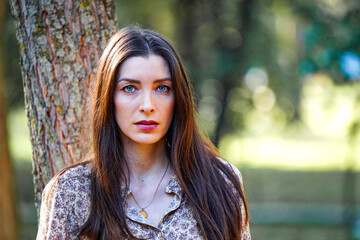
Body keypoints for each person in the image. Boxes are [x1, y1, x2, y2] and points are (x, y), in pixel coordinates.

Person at [37, 26, 251, 240]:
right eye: (130, 88)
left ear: (178, 99)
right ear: (109, 98)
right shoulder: (71, 192)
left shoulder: (221, 182)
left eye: (162, 88)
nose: (148, 105)